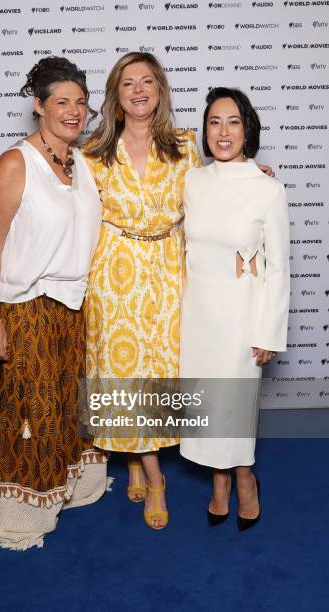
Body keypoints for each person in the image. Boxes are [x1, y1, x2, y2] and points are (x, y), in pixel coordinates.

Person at [0, 57, 107, 550]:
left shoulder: (82, 162)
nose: (73, 111)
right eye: (61, 101)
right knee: (29, 415)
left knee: (64, 408)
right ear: (39, 106)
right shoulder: (15, 163)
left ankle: (67, 487)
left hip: (72, 308)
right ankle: (23, 517)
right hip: (26, 309)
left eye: (81, 102)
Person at [84, 52, 202, 529]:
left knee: (160, 370)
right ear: (116, 94)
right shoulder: (92, 151)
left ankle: (135, 456)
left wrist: (255, 180)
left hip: (170, 270)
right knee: (121, 368)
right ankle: (156, 479)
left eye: (147, 81)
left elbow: (212, 198)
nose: (138, 89)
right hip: (114, 271)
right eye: (128, 82)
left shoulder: (184, 145)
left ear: (160, 89)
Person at [179, 87, 290, 530]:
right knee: (207, 403)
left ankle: (244, 477)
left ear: (248, 128)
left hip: (243, 316)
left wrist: (268, 332)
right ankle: (218, 480)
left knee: (236, 405)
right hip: (197, 313)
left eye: (233, 122)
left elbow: (278, 268)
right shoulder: (191, 180)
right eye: (214, 122)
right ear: (204, 131)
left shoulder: (268, 188)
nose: (223, 132)